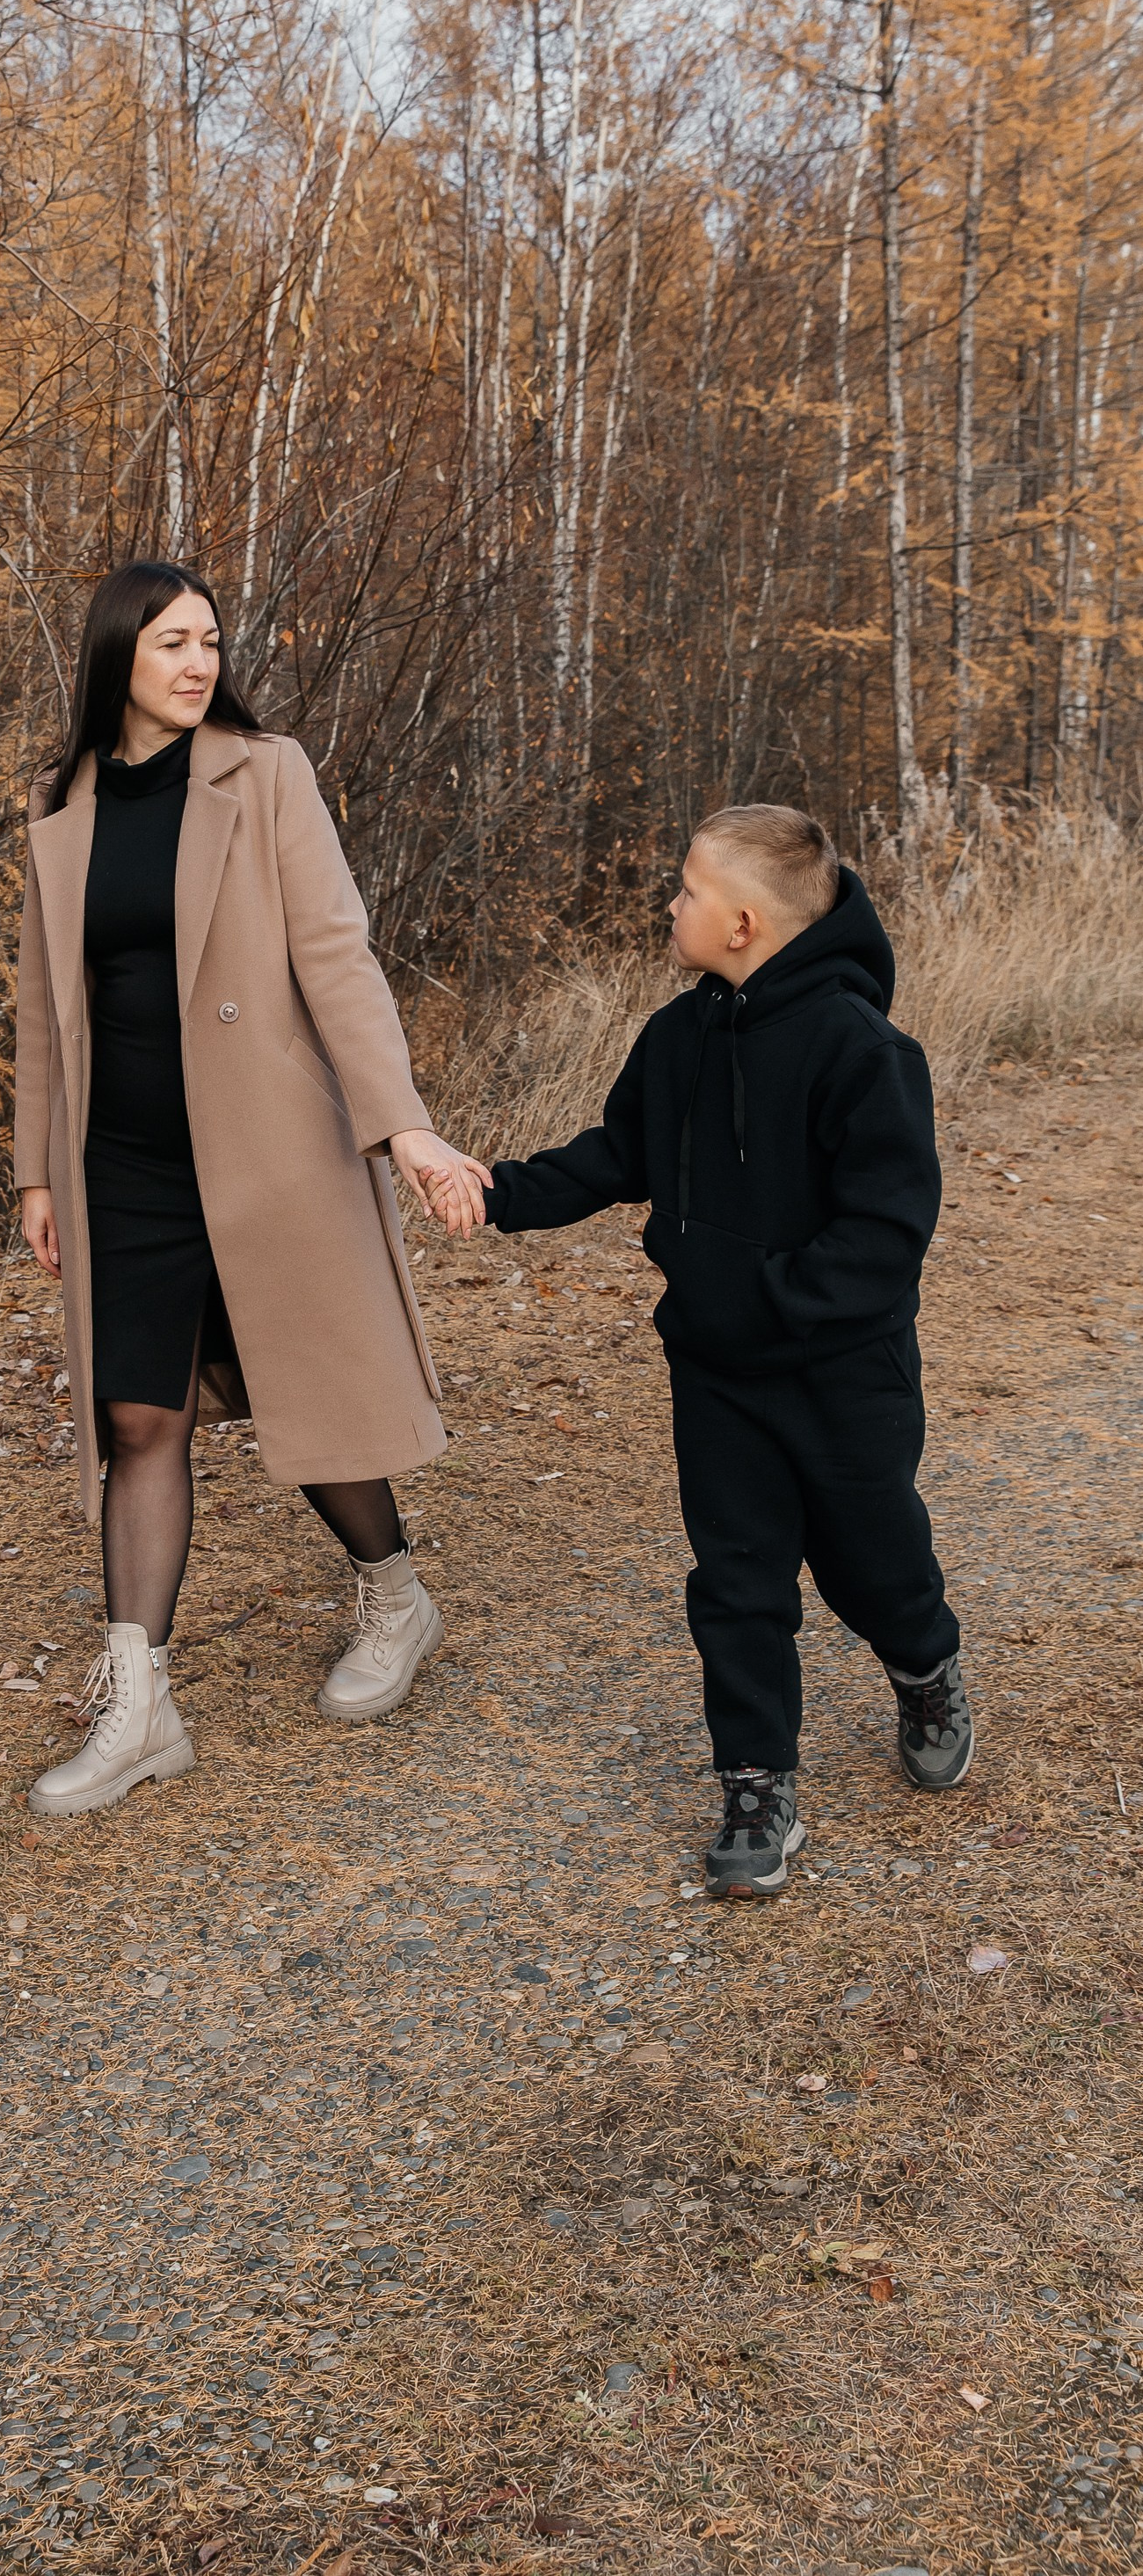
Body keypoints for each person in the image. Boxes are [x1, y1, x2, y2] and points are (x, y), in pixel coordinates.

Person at [14, 558, 482, 1817]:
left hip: (267, 1149)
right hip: (121, 1167)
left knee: (303, 1389)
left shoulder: (264, 774)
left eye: (209, 641)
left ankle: (394, 1596)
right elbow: (46, 1011)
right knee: (137, 1423)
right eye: (171, 642)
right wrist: (34, 1172)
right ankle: (140, 1709)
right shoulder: (64, 804)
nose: (197, 662)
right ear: (118, 656)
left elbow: (337, 956)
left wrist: (407, 1132)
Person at [462, 804, 972, 1899]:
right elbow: (618, 1154)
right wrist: (498, 1190)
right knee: (736, 1580)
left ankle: (923, 1663)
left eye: (685, 891)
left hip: (843, 1375)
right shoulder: (676, 1036)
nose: (671, 906)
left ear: (741, 922)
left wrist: (767, 1298)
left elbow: (884, 1234)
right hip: (716, 1375)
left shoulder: (864, 1052)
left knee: (870, 1563)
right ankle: (756, 1783)